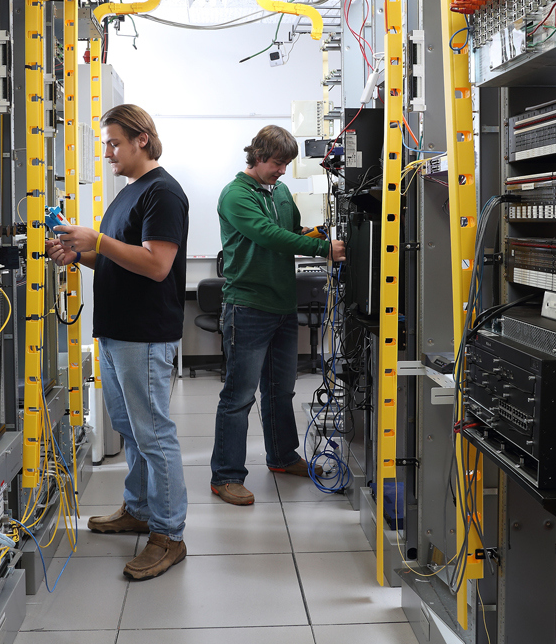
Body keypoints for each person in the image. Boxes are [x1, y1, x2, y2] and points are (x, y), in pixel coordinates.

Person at [47, 103, 189, 580]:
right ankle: (139, 509)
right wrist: (80, 254)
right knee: (131, 429)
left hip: (144, 336)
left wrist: (97, 241)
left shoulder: (163, 193)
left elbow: (156, 265)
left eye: (112, 143)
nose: (106, 152)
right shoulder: (128, 193)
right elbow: (121, 262)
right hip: (115, 332)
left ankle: (168, 535)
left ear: (140, 140)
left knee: (154, 435)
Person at [209, 125, 346, 506]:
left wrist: (319, 234)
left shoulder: (282, 192)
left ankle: (283, 457)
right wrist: (323, 250)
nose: (282, 170)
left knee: (279, 391)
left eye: (287, 163)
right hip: (248, 307)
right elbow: (269, 235)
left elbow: (291, 229)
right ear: (256, 155)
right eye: (276, 163)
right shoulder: (235, 195)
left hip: (283, 307)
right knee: (238, 397)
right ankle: (226, 476)